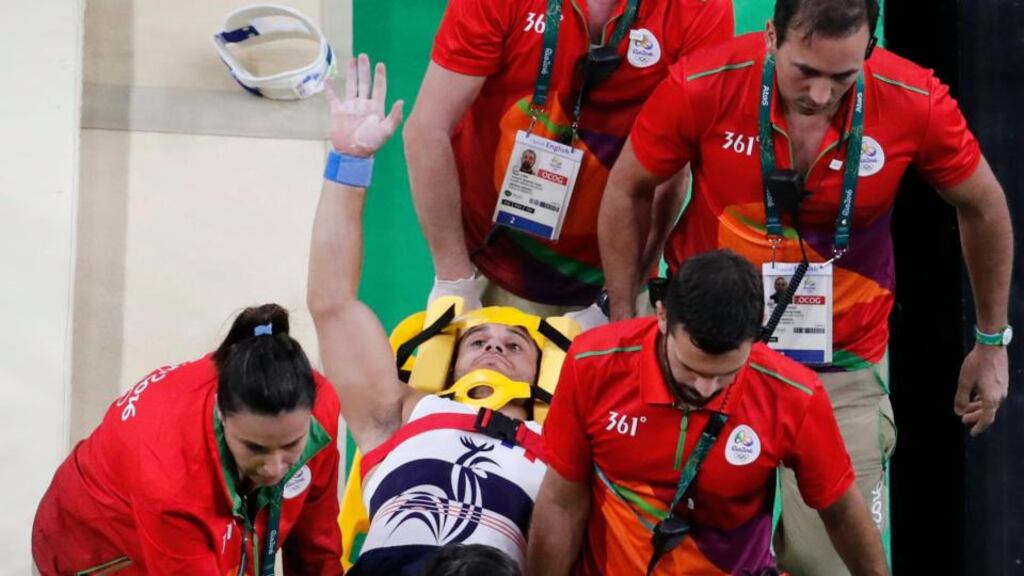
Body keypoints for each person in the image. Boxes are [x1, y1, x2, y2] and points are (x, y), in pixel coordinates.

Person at [597, 0, 1013, 571]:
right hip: (708, 360)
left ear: (869, 49)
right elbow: (628, 188)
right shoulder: (704, 83)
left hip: (839, 369)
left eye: (842, 77)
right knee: (678, 560)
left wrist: (992, 341)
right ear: (770, 36)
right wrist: (627, 319)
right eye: (805, 72)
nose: (820, 94)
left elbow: (985, 207)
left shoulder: (914, 99)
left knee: (833, 565)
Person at [309, 55, 574, 575]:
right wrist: (349, 162)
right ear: (447, 365)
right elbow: (332, 304)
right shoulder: (397, 417)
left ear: (543, 373)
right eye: (478, 341)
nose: (494, 346)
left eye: (513, 345)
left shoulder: (568, 446)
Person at [526, 250, 889, 576]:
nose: (704, 389)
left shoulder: (794, 395)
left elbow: (841, 511)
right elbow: (561, 502)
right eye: (690, 369)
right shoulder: (593, 363)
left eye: (725, 375)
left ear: (757, 332)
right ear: (663, 314)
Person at [404, 0, 734, 317]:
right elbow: (427, 130)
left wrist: (619, 299)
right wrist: (453, 280)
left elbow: (670, 169)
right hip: (492, 260)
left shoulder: (701, 8)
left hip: (612, 280)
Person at [32, 304, 343, 575]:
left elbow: (316, 549)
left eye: (291, 445)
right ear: (222, 414)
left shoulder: (321, 409)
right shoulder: (169, 477)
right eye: (255, 448)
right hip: (97, 550)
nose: (276, 468)